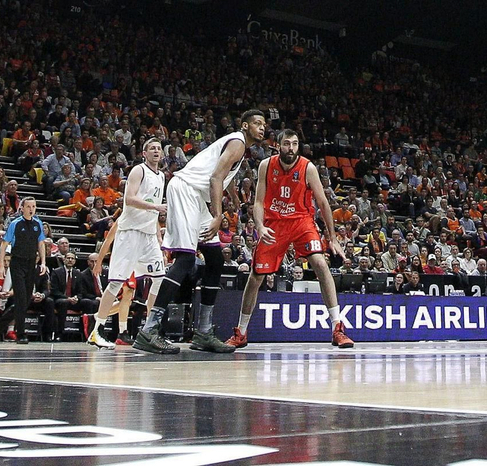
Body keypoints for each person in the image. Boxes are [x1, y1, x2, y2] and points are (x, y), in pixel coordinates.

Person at [135, 110, 267, 355]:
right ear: (245, 125)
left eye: (264, 124)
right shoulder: (238, 142)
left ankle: (203, 331)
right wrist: (218, 215)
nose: (262, 128)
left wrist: (235, 196)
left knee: (216, 259)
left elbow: (219, 176)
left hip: (196, 197)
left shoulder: (238, 146)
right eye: (257, 123)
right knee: (185, 258)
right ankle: (149, 329)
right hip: (186, 191)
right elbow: (216, 178)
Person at [228, 128, 354, 350]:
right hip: (274, 224)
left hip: (301, 222)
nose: (291, 148)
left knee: (320, 263)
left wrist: (332, 237)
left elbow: (324, 203)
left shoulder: (308, 167)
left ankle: (337, 328)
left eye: (295, 144)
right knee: (256, 276)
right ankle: (241, 331)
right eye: (287, 144)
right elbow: (258, 202)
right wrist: (259, 226)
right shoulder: (266, 165)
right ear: (278, 145)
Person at [88, 138, 167, 349]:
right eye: (152, 148)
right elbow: (130, 199)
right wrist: (157, 208)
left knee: (160, 279)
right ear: (144, 153)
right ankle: (97, 330)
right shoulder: (138, 171)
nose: (156, 151)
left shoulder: (161, 177)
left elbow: (152, 209)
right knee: (116, 284)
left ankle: (150, 330)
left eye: (159, 148)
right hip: (130, 233)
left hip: (149, 235)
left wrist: (158, 234)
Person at [0, 196, 48, 343]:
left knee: (26, 300)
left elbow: (41, 243)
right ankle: (20, 333)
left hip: (31, 263)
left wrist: (43, 262)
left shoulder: (38, 223)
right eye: (29, 206)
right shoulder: (15, 224)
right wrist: (1, 266)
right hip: (17, 263)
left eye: (34, 206)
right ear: (22, 208)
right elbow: (4, 245)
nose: (31, 209)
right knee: (21, 297)